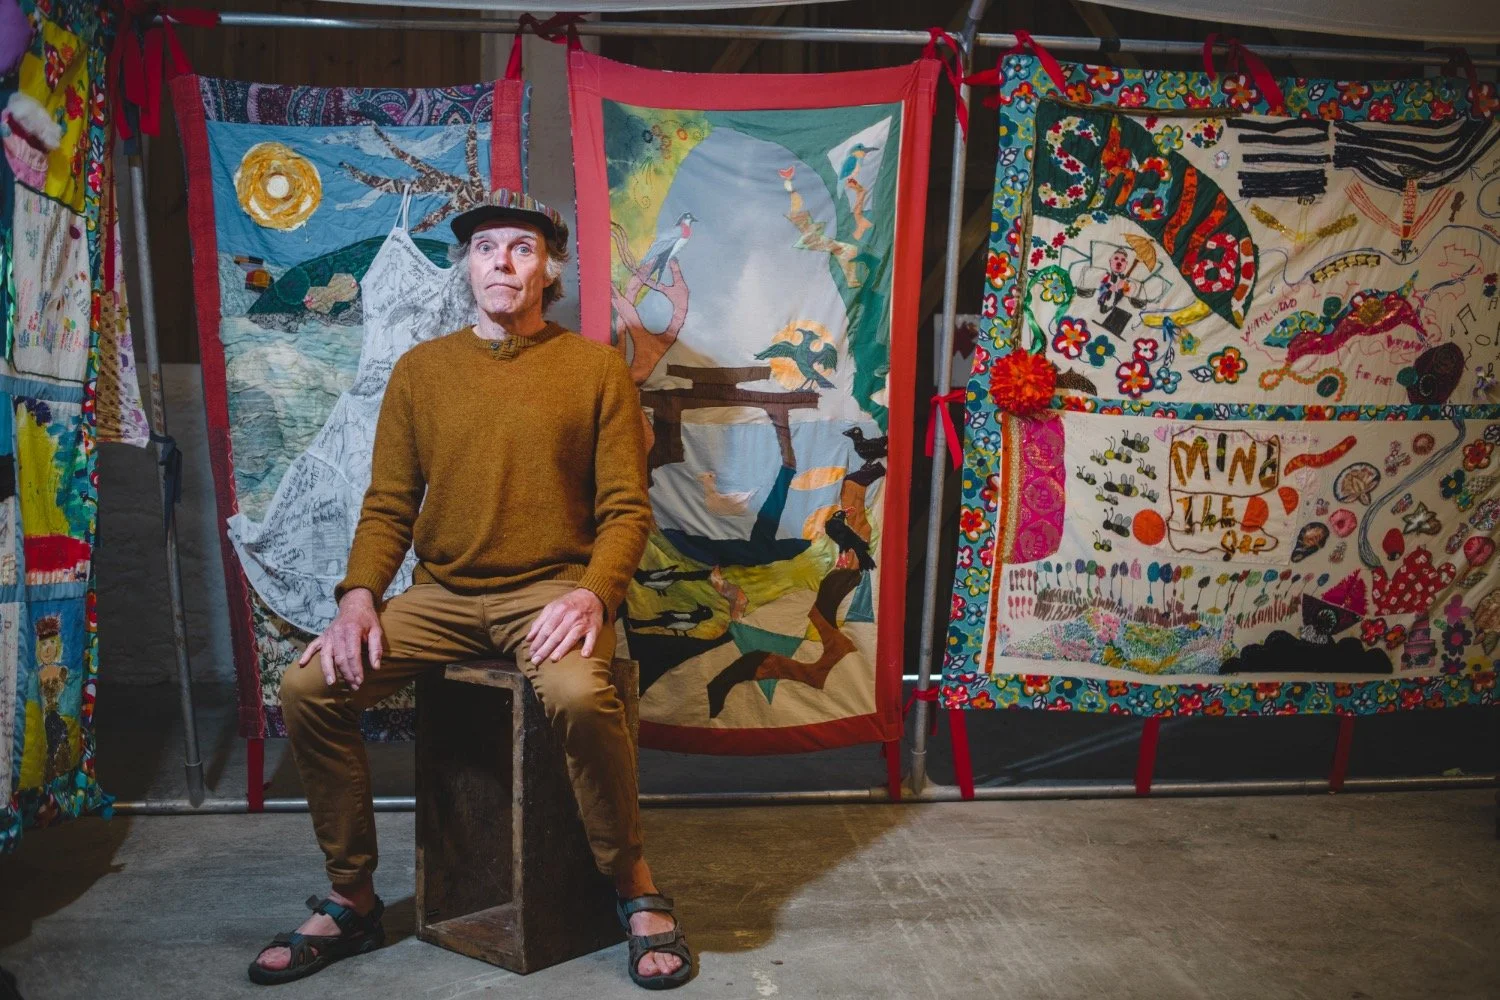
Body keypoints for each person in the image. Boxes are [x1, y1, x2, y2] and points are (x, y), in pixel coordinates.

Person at [247, 189, 693, 990]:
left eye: (522, 248)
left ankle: (634, 884)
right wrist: (359, 599)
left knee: (581, 697)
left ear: (548, 270)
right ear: (466, 267)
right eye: (486, 248)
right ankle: (352, 897)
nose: (502, 263)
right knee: (308, 687)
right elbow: (388, 505)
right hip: (442, 597)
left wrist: (593, 594)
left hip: (550, 593)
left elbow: (627, 509)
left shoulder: (594, 369)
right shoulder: (422, 372)